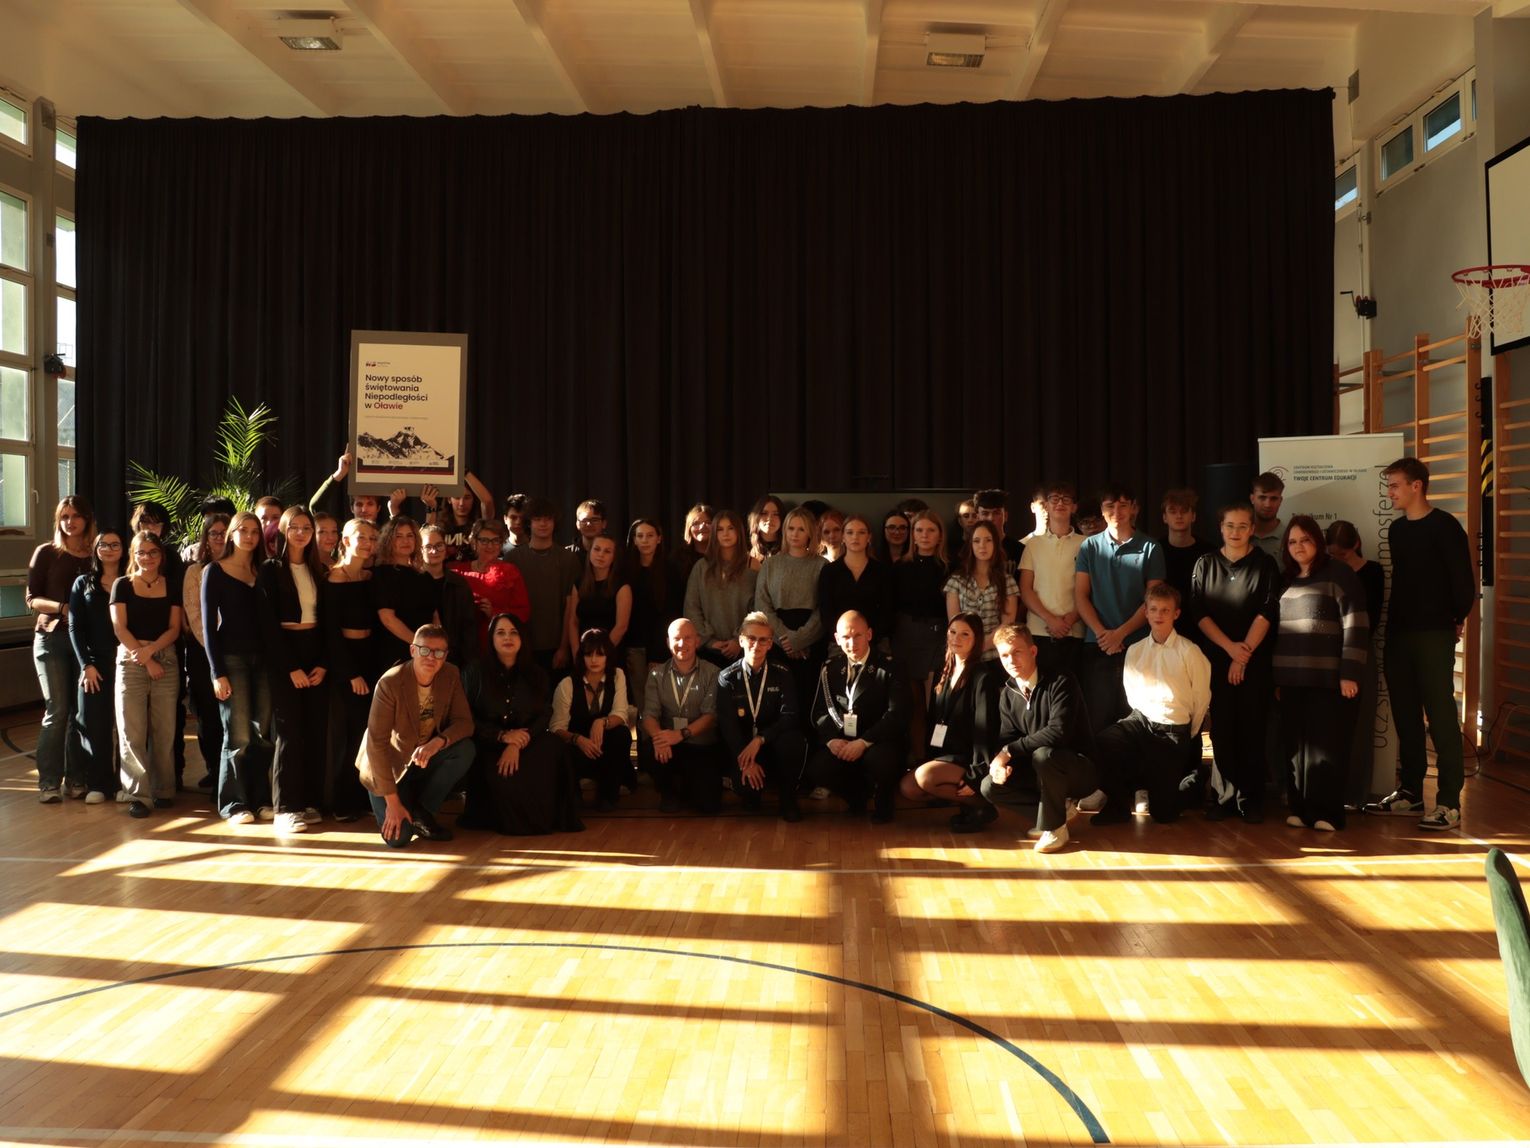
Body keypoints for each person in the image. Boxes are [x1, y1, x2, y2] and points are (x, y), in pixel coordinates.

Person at [1365, 458, 1477, 830]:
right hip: (1399, 632)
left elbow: (1462, 581)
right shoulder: (1397, 530)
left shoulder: (1445, 526)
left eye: (1395, 485)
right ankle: (1411, 793)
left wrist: (1455, 618)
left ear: (1417, 486)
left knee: (1441, 715)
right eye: (1388, 485)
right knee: (1405, 713)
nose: (1390, 492)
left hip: (1434, 633)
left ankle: (1448, 802)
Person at [1275, 515, 1369, 832]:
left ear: (1317, 541)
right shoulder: (1286, 579)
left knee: (1327, 748)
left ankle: (1327, 813)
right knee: (1296, 749)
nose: (1299, 546)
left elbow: (1356, 624)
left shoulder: (1339, 574)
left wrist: (1349, 673)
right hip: (1291, 680)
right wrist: (1277, 679)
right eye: (1292, 541)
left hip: (1329, 680)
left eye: (1305, 540)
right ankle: (1300, 809)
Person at [1090, 584, 1210, 824]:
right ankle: (1118, 805)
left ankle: (1197, 780)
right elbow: (1131, 690)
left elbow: (1201, 697)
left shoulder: (1190, 652)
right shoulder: (1135, 650)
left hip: (1173, 730)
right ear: (1145, 612)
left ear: (1176, 614)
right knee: (1102, 743)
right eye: (1154, 609)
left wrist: (1189, 733)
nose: (1159, 615)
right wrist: (1143, 721)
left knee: (1163, 814)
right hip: (1142, 721)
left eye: (1165, 610)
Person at [1191, 502, 1281, 822]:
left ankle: (1251, 800)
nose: (1236, 532)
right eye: (1230, 525)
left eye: (1243, 526)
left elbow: (1267, 611)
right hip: (1217, 660)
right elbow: (1199, 612)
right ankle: (1224, 798)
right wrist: (1230, 649)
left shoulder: (1265, 564)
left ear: (1252, 529)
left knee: (1252, 729)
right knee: (1222, 730)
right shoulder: (1205, 563)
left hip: (1254, 662)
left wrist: (1242, 656)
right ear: (1220, 528)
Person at [978, 623, 1098, 853]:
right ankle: (1056, 815)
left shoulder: (1061, 680)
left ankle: (1054, 828)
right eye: (1004, 655)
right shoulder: (1008, 693)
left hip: (1079, 770)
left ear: (1033, 651)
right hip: (1040, 771)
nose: (1011, 660)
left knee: (1044, 755)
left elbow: (1058, 732)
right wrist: (1000, 765)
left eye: (1017, 652)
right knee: (990, 786)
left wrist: (1008, 751)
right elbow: (1007, 737)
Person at [356, 624, 477, 848]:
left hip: (422, 758)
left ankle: (423, 811)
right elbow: (376, 745)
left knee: (465, 749)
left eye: (438, 652)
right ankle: (400, 803)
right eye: (425, 650)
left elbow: (465, 723)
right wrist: (393, 803)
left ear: (445, 656)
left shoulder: (450, 674)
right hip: (388, 765)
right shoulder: (390, 683)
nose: (431, 657)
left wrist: (438, 742)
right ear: (413, 650)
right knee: (399, 838)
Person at [463, 613, 582, 835]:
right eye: (500, 633)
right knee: (507, 778)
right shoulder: (475, 672)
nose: (507, 638)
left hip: (527, 739)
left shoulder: (537, 673)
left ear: (522, 638)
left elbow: (545, 714)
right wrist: (501, 737)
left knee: (555, 747)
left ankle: (552, 818)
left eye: (513, 632)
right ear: (491, 639)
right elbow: (466, 717)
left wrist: (517, 742)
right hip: (489, 741)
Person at [257, 506, 329, 834]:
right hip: (284, 653)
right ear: (283, 531)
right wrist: (291, 668)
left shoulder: (319, 570)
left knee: (314, 731)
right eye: (294, 527)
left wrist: (323, 663)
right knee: (289, 732)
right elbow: (267, 626)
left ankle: (309, 802)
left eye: (307, 528)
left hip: (315, 652)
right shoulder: (270, 569)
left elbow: (328, 622)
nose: (301, 533)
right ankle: (286, 808)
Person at [1074, 485, 1165, 732]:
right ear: (1102, 510)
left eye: (1123, 505)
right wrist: (1103, 634)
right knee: (1097, 719)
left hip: (1138, 644)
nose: (1117, 511)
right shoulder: (1089, 546)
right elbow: (1081, 595)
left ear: (1133, 508)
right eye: (1110, 506)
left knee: (1136, 720)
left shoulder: (1151, 547)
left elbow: (1153, 601)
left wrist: (1120, 634)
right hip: (1098, 644)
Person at [203, 510, 274, 824]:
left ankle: (260, 799)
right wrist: (216, 672)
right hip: (232, 660)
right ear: (231, 534)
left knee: (261, 734)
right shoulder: (214, 571)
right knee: (238, 735)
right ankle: (234, 803)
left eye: (255, 531)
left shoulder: (265, 570)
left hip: (264, 661)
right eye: (243, 530)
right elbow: (208, 626)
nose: (249, 536)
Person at [898, 613, 1000, 830]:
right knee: (909, 788)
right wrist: (928, 757)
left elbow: (985, 731)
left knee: (926, 777)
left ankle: (981, 805)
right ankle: (961, 802)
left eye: (965, 634)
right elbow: (934, 719)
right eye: (952, 632)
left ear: (977, 639)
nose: (956, 638)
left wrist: (976, 775)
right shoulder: (943, 670)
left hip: (968, 758)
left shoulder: (983, 676)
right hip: (945, 753)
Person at [806, 610, 908, 822]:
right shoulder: (830, 668)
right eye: (845, 637)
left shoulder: (890, 667)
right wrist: (832, 740)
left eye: (857, 635)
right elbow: (819, 712)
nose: (852, 643)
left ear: (869, 634)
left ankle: (883, 801)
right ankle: (856, 798)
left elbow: (897, 715)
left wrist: (863, 742)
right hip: (844, 740)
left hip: (878, 741)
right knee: (818, 768)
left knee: (880, 760)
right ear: (837, 639)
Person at [27, 496, 96, 802]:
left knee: (80, 713)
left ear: (87, 519)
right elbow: (31, 598)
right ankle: (49, 783)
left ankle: (77, 779)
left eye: (76, 516)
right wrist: (62, 607)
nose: (70, 522)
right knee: (57, 710)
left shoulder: (96, 554)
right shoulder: (46, 552)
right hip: (51, 638)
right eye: (64, 516)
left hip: (85, 642)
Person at [110, 530, 183, 818]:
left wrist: (152, 652)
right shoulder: (122, 585)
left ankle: (163, 790)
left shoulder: (172, 585)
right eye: (141, 552)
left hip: (165, 659)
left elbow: (174, 629)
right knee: (132, 732)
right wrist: (144, 657)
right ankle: (138, 795)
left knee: (164, 731)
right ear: (133, 555)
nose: (147, 557)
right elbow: (120, 628)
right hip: (131, 661)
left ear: (161, 555)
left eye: (153, 552)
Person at [717, 613, 806, 821]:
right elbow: (728, 726)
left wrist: (761, 738)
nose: (756, 645)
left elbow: (790, 716)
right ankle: (751, 792)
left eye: (763, 640)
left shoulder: (782, 673)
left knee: (793, 741)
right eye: (751, 638)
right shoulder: (726, 678)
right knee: (746, 790)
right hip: (744, 750)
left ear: (770, 644)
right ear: (741, 640)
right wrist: (746, 761)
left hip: (772, 743)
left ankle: (788, 799)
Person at [1326, 519, 1386, 809]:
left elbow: (1371, 620)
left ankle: (1355, 794)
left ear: (1356, 545)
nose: (1338, 559)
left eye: (1343, 554)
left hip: (1360, 650)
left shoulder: (1372, 571)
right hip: (1326, 652)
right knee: (1329, 725)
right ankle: (1328, 790)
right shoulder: (1326, 570)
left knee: (1360, 726)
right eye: (1333, 554)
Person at [325, 518, 380, 821]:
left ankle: (362, 797)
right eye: (362, 537)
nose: (368, 543)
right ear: (345, 541)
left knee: (366, 731)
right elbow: (331, 633)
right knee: (346, 734)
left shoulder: (370, 577)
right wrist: (350, 673)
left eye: (372, 538)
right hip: (347, 662)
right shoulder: (334, 578)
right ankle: (341, 801)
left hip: (370, 656)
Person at [641, 618, 724, 814]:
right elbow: (649, 715)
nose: (681, 644)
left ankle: (688, 787)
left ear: (697, 641)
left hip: (702, 746)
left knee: (709, 807)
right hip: (669, 746)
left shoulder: (713, 673)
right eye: (676, 638)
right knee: (649, 749)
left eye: (687, 638)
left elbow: (711, 716)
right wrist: (659, 739)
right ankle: (668, 792)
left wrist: (681, 734)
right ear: (668, 642)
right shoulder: (656, 675)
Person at [68, 528, 125, 804]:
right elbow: (75, 627)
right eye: (103, 544)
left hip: (126, 662)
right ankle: (98, 784)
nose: (109, 549)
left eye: (115, 544)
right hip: (94, 665)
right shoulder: (83, 583)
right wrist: (86, 665)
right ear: (95, 549)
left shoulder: (130, 581)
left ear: (123, 549)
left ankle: (124, 783)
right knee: (94, 724)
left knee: (127, 727)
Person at [551, 627, 633, 811]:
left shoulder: (617, 675)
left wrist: (601, 722)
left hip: (605, 744)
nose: (594, 660)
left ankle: (607, 796)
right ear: (582, 656)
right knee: (562, 749)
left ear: (608, 656)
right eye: (589, 654)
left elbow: (621, 713)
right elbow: (556, 727)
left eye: (600, 654)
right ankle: (573, 795)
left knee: (621, 734)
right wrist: (578, 739)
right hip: (577, 746)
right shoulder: (567, 684)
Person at [757, 506, 827, 715]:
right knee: (779, 701)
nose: (795, 534)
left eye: (801, 529)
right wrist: (785, 639)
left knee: (808, 699)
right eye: (791, 528)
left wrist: (801, 639)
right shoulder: (771, 564)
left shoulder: (822, 565)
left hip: (811, 642)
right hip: (778, 640)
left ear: (810, 533)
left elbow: (824, 608)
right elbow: (762, 605)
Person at [505, 497, 581, 674]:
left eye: (548, 519)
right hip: (520, 644)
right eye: (537, 519)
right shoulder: (513, 558)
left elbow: (571, 607)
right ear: (528, 523)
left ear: (555, 523)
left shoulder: (568, 559)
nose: (543, 524)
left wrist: (564, 647)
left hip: (556, 646)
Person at [181, 514, 230, 789]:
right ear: (206, 538)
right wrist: (215, 649)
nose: (220, 537)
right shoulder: (194, 571)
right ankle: (214, 770)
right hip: (204, 652)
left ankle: (231, 774)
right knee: (209, 715)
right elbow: (195, 615)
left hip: (236, 651)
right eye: (214, 533)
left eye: (224, 532)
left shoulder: (244, 566)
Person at [1019, 481, 1085, 679]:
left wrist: (1069, 620)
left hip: (1074, 631)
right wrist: (1050, 619)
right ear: (1046, 506)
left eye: (1066, 499)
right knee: (1041, 687)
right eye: (1054, 499)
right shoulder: (1033, 544)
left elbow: (1089, 590)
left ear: (1074, 507)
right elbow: (1025, 589)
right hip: (1039, 630)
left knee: (1072, 688)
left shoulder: (1086, 544)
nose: (1060, 503)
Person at [683, 508, 758, 669]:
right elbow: (692, 607)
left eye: (730, 528)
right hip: (708, 652)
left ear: (739, 532)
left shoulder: (752, 565)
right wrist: (708, 641)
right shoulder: (701, 567)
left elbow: (757, 608)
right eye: (720, 529)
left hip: (744, 649)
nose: (725, 534)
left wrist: (739, 639)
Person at [891, 510, 951, 709]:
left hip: (938, 635)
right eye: (919, 530)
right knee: (910, 700)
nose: (925, 535)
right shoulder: (900, 567)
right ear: (913, 535)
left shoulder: (949, 567)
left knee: (932, 699)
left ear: (940, 535)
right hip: (905, 634)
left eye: (931, 530)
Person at [452, 518, 531, 659]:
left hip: (499, 647)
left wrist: (494, 613)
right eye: (484, 540)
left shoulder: (510, 571)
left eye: (495, 541)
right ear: (474, 542)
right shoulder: (459, 572)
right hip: (464, 645)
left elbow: (523, 612)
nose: (490, 546)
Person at [817, 514, 893, 654]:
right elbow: (826, 612)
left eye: (861, 532)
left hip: (876, 643)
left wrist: (868, 639)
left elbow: (887, 611)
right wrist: (844, 639)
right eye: (850, 532)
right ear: (843, 537)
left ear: (869, 537)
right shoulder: (829, 572)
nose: (855, 537)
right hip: (840, 645)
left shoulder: (882, 571)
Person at [372, 516, 441, 668]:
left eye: (410, 535)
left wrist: (435, 644)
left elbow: (434, 615)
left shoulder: (424, 576)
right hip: (395, 652)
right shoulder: (381, 574)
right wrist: (419, 645)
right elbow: (387, 619)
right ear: (388, 540)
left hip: (427, 653)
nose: (406, 541)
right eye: (398, 536)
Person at [943, 520, 1018, 661]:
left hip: (995, 656)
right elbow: (954, 624)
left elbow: (1006, 625)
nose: (982, 545)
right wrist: (969, 646)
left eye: (988, 540)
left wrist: (980, 646)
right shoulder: (956, 581)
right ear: (970, 545)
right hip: (964, 655)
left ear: (995, 544)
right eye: (976, 541)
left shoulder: (1007, 581)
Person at [623, 518, 682, 693]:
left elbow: (672, 613)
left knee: (661, 697)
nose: (645, 540)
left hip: (661, 646)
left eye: (650, 535)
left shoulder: (670, 570)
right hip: (633, 646)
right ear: (634, 540)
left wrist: (658, 652)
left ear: (659, 539)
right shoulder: (625, 570)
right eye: (640, 536)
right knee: (639, 698)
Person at [419, 523, 478, 667]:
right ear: (420, 549)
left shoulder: (459, 583)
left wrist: (468, 663)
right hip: (420, 656)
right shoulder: (412, 582)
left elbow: (469, 626)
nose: (434, 551)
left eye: (439, 545)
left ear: (445, 548)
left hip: (453, 658)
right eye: (428, 546)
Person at [1160, 488, 1212, 640]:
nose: (1179, 516)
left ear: (1193, 516)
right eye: (1173, 511)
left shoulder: (1209, 552)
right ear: (1164, 517)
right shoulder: (1155, 550)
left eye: (1184, 511)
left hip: (1201, 629)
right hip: (1165, 627)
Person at [567, 534, 631, 659]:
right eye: (596, 549)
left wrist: (598, 654)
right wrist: (577, 653)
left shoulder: (622, 586)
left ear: (614, 557)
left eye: (607, 551)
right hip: (583, 652)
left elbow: (621, 626)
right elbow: (573, 621)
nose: (601, 555)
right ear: (589, 552)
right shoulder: (579, 583)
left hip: (609, 653)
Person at [973, 489, 1024, 581]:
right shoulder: (970, 550)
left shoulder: (1020, 550)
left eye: (996, 513)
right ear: (977, 517)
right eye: (985, 513)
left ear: (1006, 516)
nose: (991, 518)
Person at [671, 503, 714, 585]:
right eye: (696, 523)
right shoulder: (677, 559)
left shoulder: (723, 555)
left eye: (708, 522)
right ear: (689, 528)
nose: (702, 527)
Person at [1249, 472, 1285, 559]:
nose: (1267, 504)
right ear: (1252, 499)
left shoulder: (1290, 537)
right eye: (1262, 497)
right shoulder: (1238, 535)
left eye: (1274, 498)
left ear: (1280, 501)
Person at [747, 494, 786, 569]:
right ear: (756, 516)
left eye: (776, 514)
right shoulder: (745, 547)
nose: (770, 518)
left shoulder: (790, 548)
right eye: (764, 513)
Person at [569, 499, 609, 563]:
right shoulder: (566, 555)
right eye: (584, 520)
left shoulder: (616, 554)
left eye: (594, 520)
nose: (589, 524)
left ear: (604, 523)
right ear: (577, 524)